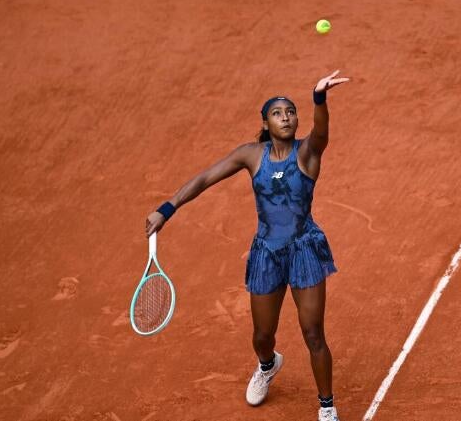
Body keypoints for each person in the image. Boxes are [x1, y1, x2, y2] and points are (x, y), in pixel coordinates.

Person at [145, 71, 350, 421]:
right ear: (266, 123)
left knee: (314, 333)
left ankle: (327, 407)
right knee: (262, 336)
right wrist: (167, 208)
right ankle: (268, 365)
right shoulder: (252, 155)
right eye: (277, 113)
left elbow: (321, 130)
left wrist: (319, 97)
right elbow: (205, 178)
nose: (286, 117)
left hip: (304, 250)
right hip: (266, 253)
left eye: (291, 112)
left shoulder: (308, 152)